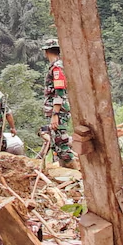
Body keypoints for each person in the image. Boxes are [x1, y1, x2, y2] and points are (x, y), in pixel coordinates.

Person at [41, 39, 76, 167]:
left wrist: (55, 113)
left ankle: (74, 173)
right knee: (57, 145)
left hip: (58, 111)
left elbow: (59, 90)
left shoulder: (57, 68)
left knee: (61, 143)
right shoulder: (59, 66)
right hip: (57, 110)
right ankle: (66, 171)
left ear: (46, 52)